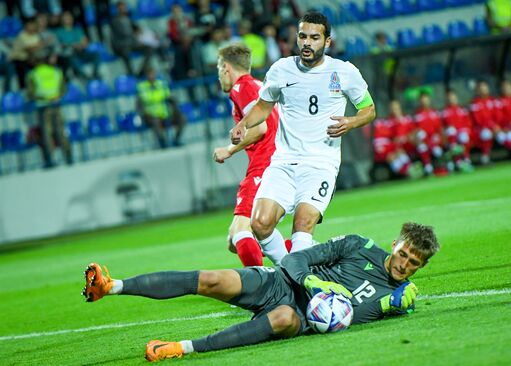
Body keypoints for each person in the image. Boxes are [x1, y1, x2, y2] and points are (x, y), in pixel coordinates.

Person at [82, 222, 440, 362]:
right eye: (403, 254)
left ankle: (181, 347)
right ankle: (111, 287)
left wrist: (390, 304)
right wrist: (312, 282)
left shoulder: (400, 295)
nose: (404, 264)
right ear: (395, 244)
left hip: (303, 317)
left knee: (283, 319)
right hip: (283, 282)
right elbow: (298, 259)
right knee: (213, 279)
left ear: (420, 267)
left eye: (413, 263)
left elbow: (349, 319)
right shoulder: (358, 244)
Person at [230, 12, 376, 265]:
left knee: (303, 224)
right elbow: (264, 107)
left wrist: (351, 122)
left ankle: (298, 284)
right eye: (303, 36)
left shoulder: (343, 72)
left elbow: (369, 110)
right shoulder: (281, 69)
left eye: (315, 38)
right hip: (284, 161)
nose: (307, 43)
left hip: (321, 163)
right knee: (260, 223)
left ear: (327, 42)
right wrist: (243, 124)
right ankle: (293, 273)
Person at [212, 44, 279, 267]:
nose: (219, 74)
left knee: (240, 232)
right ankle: (306, 255)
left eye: (219, 68)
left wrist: (228, 150)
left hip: (264, 165)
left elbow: (259, 129)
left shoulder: (243, 88)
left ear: (226, 68)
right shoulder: (259, 85)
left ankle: (260, 290)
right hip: (275, 162)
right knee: (235, 240)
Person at [27, 53, 72, 168]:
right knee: (61, 132)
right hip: (56, 105)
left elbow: (30, 94)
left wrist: (44, 98)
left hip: (43, 107)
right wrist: (55, 97)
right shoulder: (57, 72)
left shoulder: (32, 74)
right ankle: (68, 157)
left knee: (47, 135)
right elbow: (63, 90)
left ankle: (50, 160)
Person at [136, 67, 185, 148]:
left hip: (165, 112)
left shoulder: (161, 84)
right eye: (149, 74)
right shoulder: (142, 86)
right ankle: (162, 142)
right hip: (150, 114)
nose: (152, 76)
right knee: (155, 121)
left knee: (182, 118)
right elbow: (144, 99)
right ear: (146, 75)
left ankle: (176, 140)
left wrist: (174, 105)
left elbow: (168, 95)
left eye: (153, 73)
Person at [110, 1, 153, 76]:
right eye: (121, 7)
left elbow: (136, 28)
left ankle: (142, 71)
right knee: (125, 53)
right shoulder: (114, 21)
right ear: (117, 9)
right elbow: (123, 33)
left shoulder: (128, 18)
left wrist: (139, 31)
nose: (123, 9)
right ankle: (131, 74)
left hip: (132, 44)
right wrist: (134, 33)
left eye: (124, 7)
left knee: (149, 48)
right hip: (122, 45)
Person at [55, 11, 100, 80]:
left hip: (82, 51)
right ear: (61, 20)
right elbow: (59, 45)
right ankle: (85, 77)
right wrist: (72, 45)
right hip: (69, 53)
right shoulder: (58, 32)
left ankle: (95, 74)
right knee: (71, 59)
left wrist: (80, 45)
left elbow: (85, 42)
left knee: (96, 55)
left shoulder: (78, 30)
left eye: (69, 17)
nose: (68, 19)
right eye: (65, 18)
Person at [441, 89, 474, 172]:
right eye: (449, 97)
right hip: (450, 138)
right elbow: (442, 127)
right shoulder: (444, 112)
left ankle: (466, 160)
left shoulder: (462, 110)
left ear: (456, 97)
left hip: (462, 135)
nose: (451, 99)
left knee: (464, 137)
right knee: (451, 130)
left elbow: (468, 124)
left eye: (453, 97)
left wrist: (464, 131)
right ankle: (458, 161)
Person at [413, 91, 446, 175]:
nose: (424, 101)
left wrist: (441, 138)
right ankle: (428, 168)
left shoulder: (435, 112)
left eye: (425, 99)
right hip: (424, 140)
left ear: (429, 100)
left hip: (435, 140)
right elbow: (415, 131)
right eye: (422, 100)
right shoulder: (417, 115)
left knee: (437, 150)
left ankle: (443, 167)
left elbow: (440, 129)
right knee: (422, 145)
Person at [470, 80, 500, 165]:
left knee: (505, 135)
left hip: (496, 128)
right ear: (478, 91)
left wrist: (497, 126)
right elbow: (478, 120)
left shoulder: (493, 100)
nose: (484, 90)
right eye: (481, 88)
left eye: (485, 87)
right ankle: (485, 157)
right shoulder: (475, 103)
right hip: (479, 130)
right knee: (486, 133)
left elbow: (498, 115)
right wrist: (492, 126)